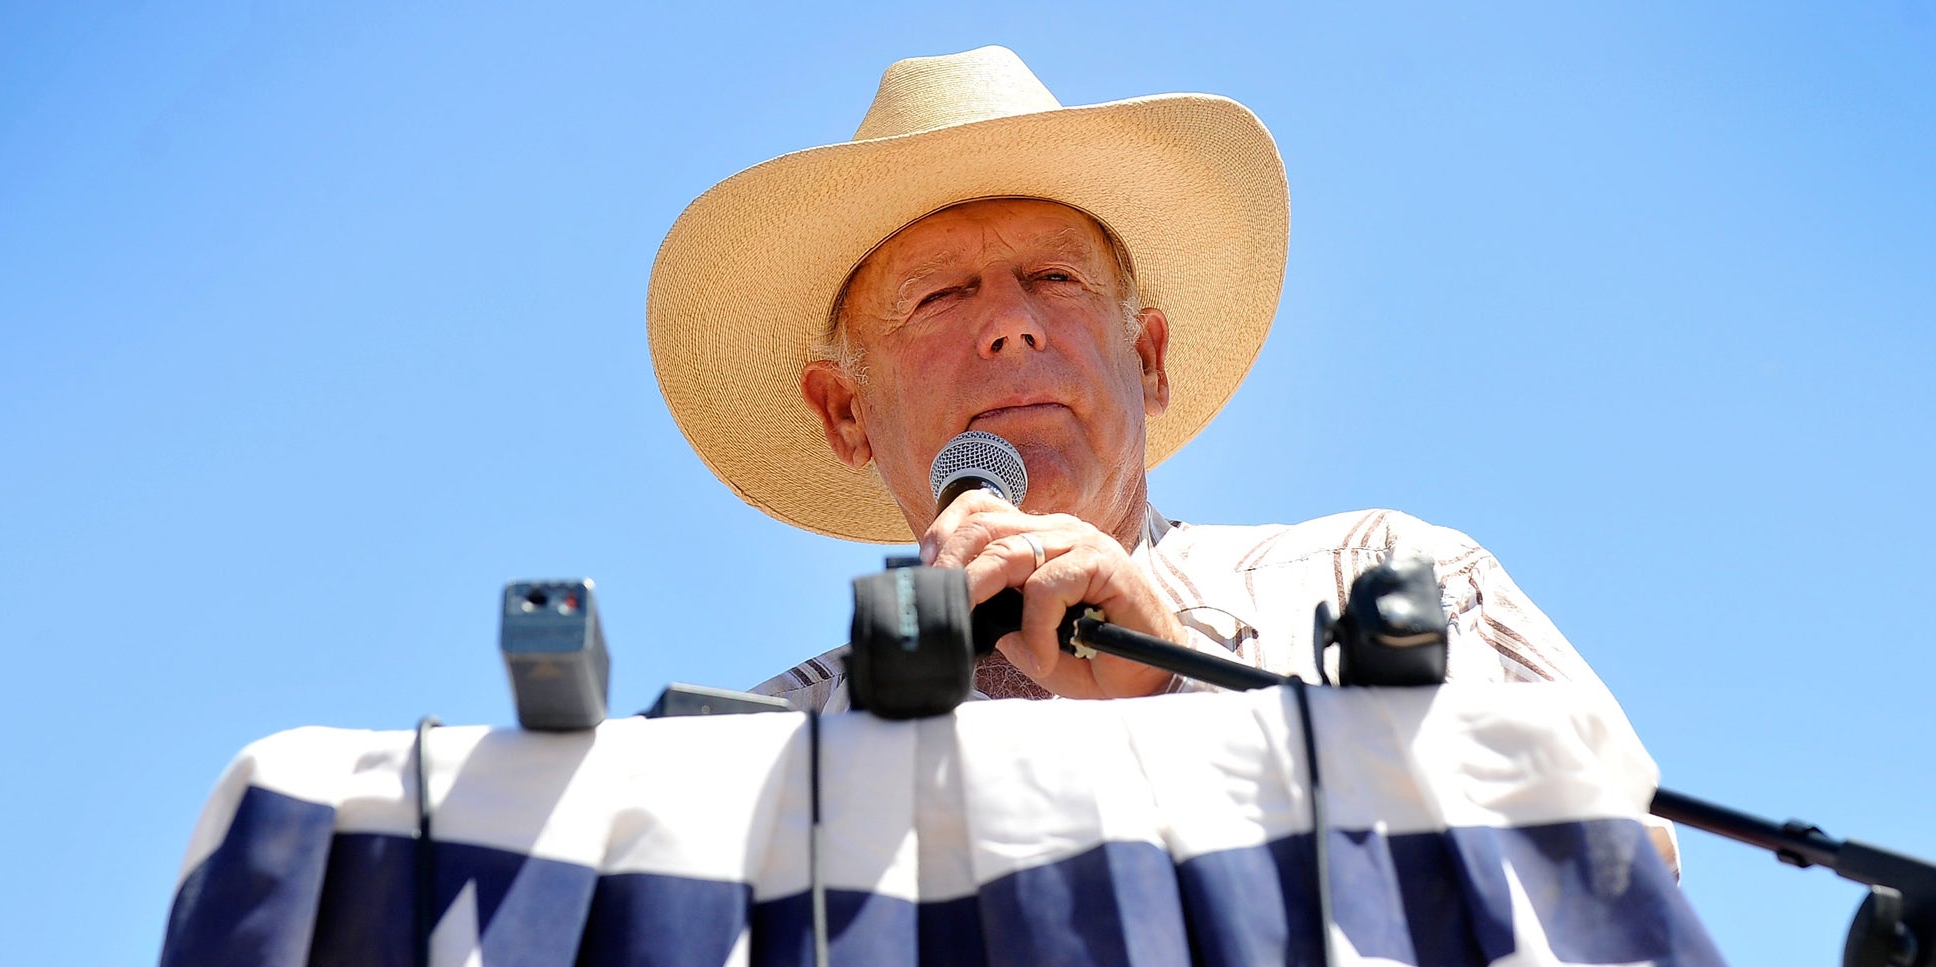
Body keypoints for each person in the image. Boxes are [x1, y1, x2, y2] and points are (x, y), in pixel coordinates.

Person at [648, 46, 1635, 739]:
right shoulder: (757, 753)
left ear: (1150, 359)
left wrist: (1170, 673)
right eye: (942, 293)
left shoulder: (1384, 582)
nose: (1011, 323)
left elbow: (1615, 885)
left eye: (1056, 279)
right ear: (844, 412)